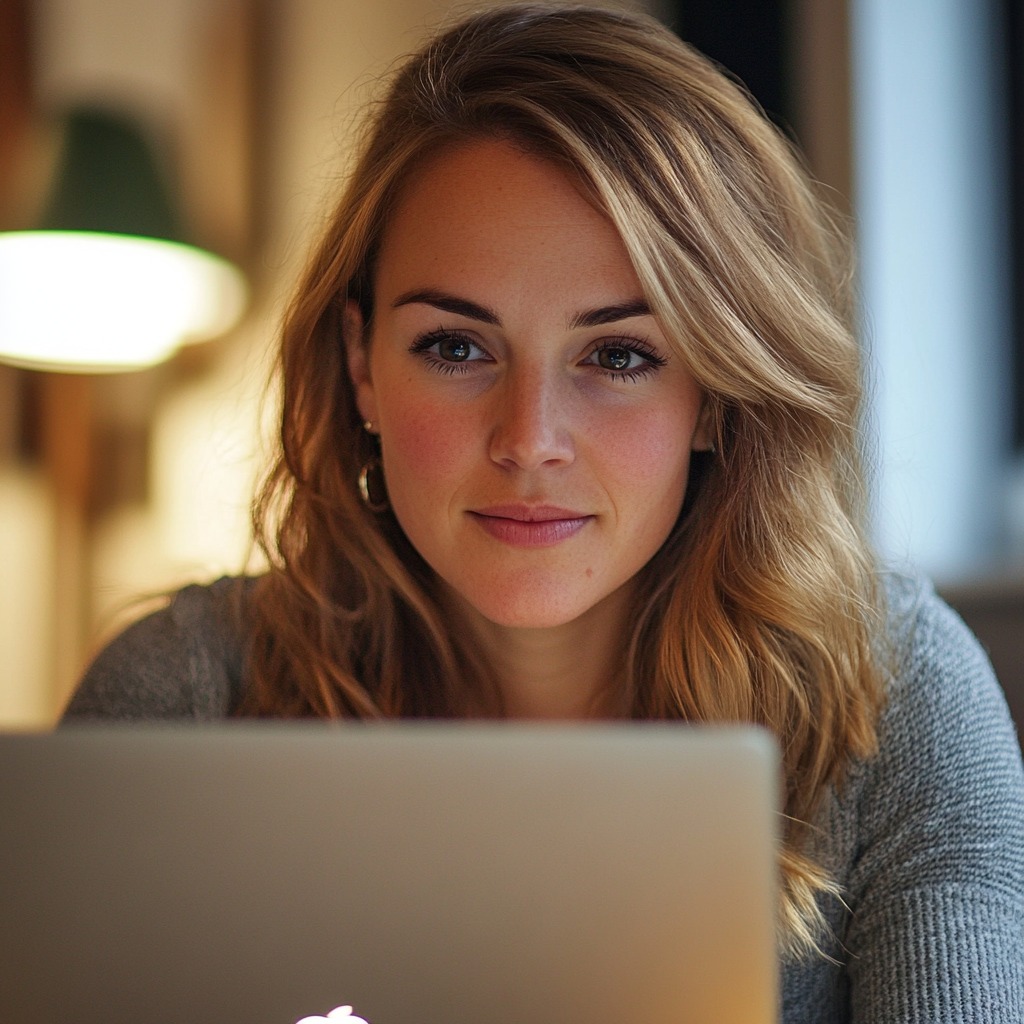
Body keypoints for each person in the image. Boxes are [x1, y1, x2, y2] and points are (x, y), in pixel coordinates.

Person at [63, 3, 1023, 1020]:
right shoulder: (183, 701)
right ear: (361, 368)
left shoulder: (889, 696)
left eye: (617, 356)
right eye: (455, 346)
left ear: (717, 393)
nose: (528, 438)